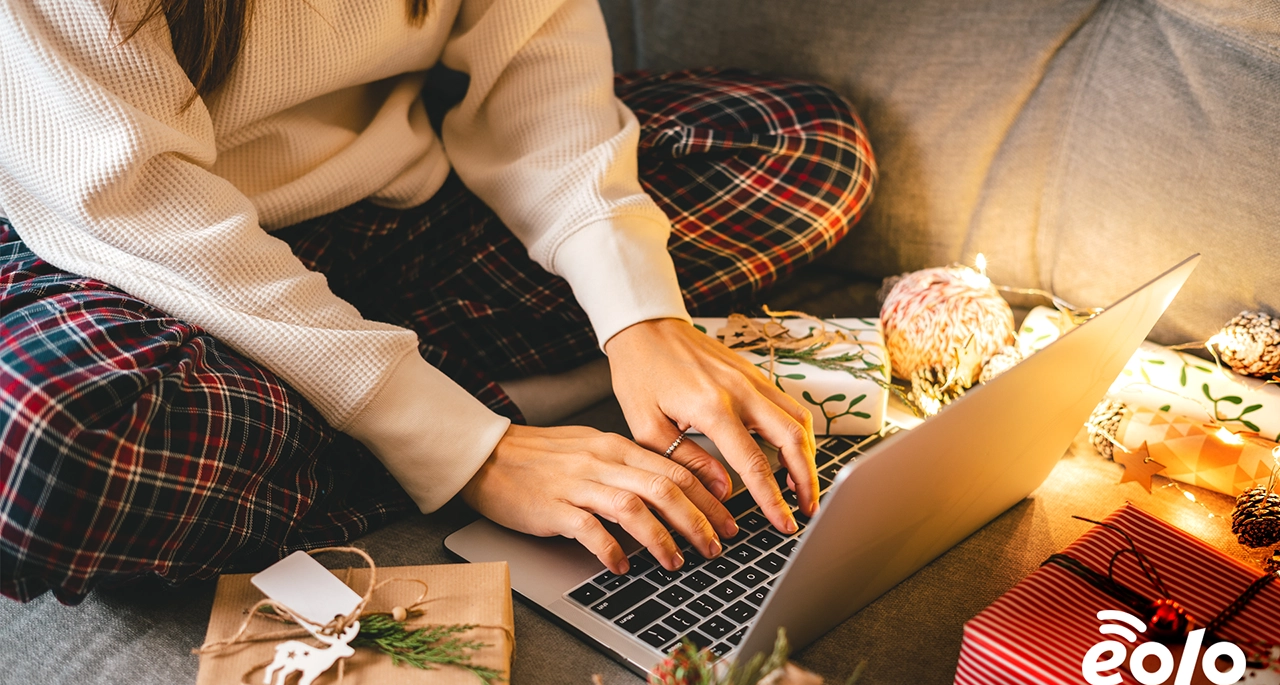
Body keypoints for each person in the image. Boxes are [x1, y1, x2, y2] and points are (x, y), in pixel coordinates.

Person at [0, 0, 875, 603]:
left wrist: (643, 321)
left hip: (396, 220)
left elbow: (536, 67)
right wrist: (473, 454)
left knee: (804, 142)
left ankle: (362, 414)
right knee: (51, 443)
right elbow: (138, 210)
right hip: (134, 262)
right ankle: (479, 416)